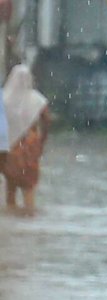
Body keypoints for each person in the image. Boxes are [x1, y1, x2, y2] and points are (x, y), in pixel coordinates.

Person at [3, 65, 48, 215]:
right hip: (29, 145)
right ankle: (29, 218)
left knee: (11, 186)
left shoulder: (4, 99)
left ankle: (13, 218)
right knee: (29, 186)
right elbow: (47, 120)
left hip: (9, 147)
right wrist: (42, 141)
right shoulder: (37, 99)